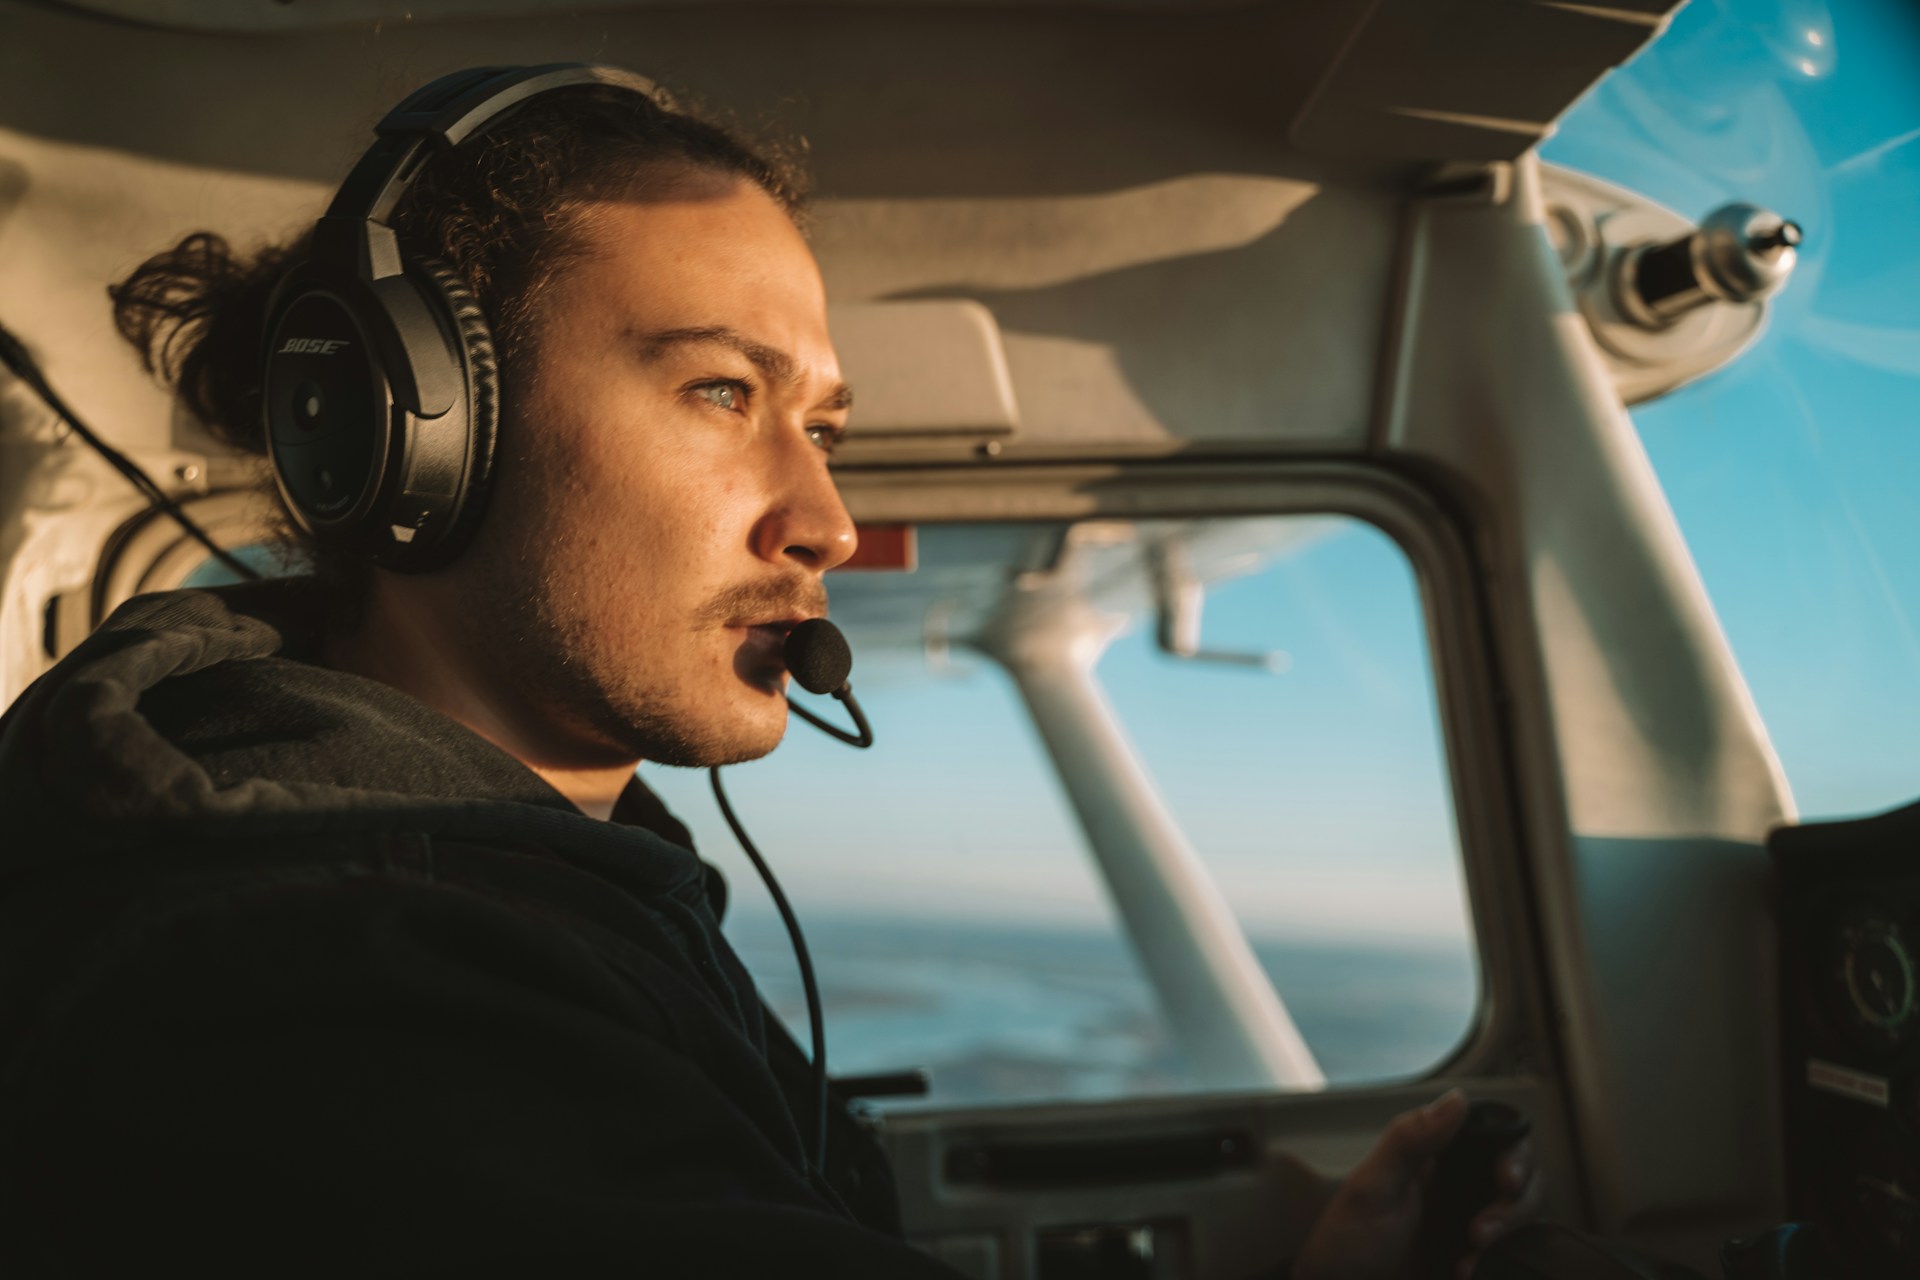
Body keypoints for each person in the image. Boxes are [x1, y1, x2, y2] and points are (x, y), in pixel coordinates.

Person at [0, 68, 1539, 1276]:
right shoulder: (337, 985)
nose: (827, 523)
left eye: (827, 426)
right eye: (721, 389)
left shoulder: (548, 875)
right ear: (406, 436)